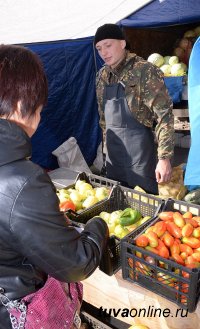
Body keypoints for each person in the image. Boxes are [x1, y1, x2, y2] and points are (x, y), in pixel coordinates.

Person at [0, 44, 109, 329]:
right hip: (17, 313)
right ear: (21, 105)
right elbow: (76, 263)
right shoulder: (22, 180)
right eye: (38, 109)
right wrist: (99, 225)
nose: (39, 119)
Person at [94, 23, 175, 194]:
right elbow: (104, 121)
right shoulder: (101, 77)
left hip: (141, 160)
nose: (103, 53)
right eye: (99, 48)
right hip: (114, 159)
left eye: (108, 45)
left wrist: (164, 158)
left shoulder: (144, 70)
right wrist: (105, 156)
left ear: (122, 43)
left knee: (145, 205)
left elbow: (164, 116)